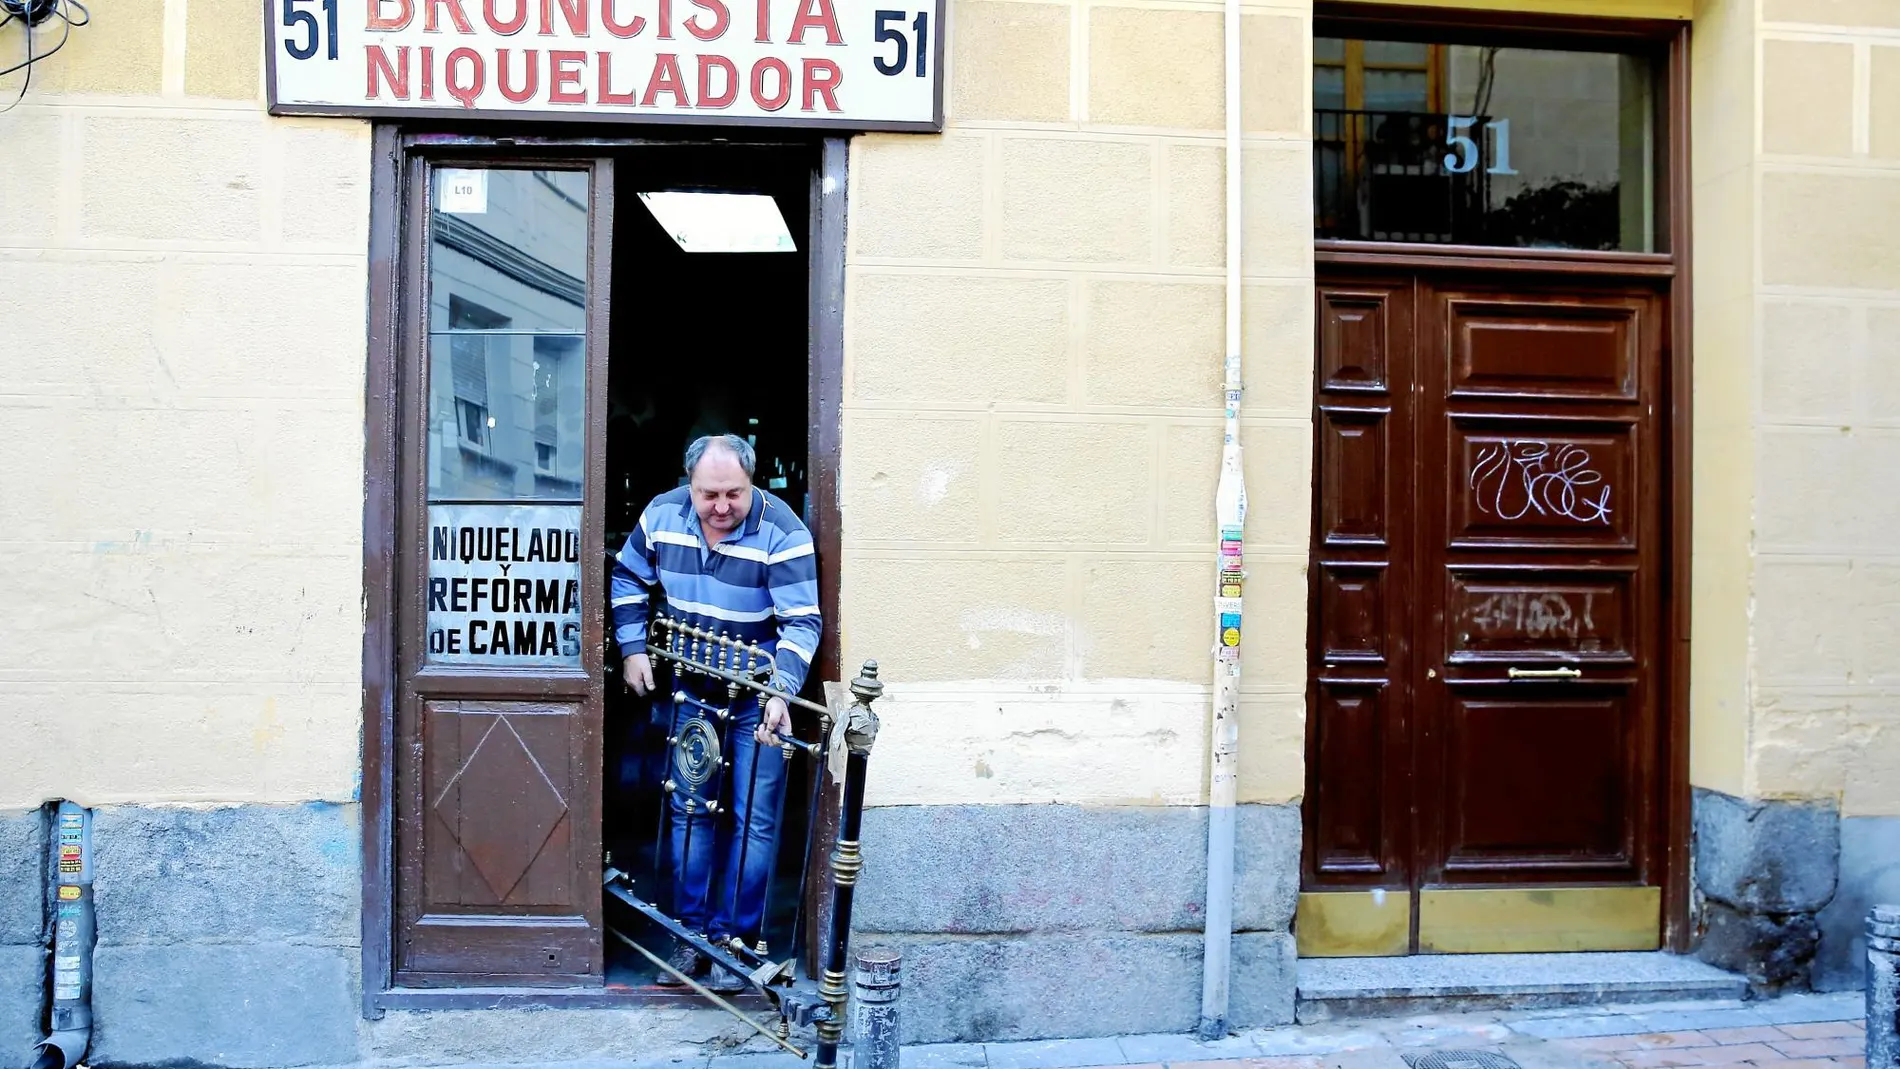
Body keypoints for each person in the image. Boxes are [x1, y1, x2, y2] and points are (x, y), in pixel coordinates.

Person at [611, 433, 822, 990]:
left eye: (735, 493)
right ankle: (689, 940)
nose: (723, 507)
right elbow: (629, 577)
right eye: (709, 495)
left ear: (751, 483)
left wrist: (781, 691)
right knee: (689, 811)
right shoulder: (660, 515)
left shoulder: (784, 530)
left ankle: (735, 946)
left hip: (758, 700)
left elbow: (802, 622)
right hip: (692, 691)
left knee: (755, 821)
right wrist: (632, 649)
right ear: (689, 485)